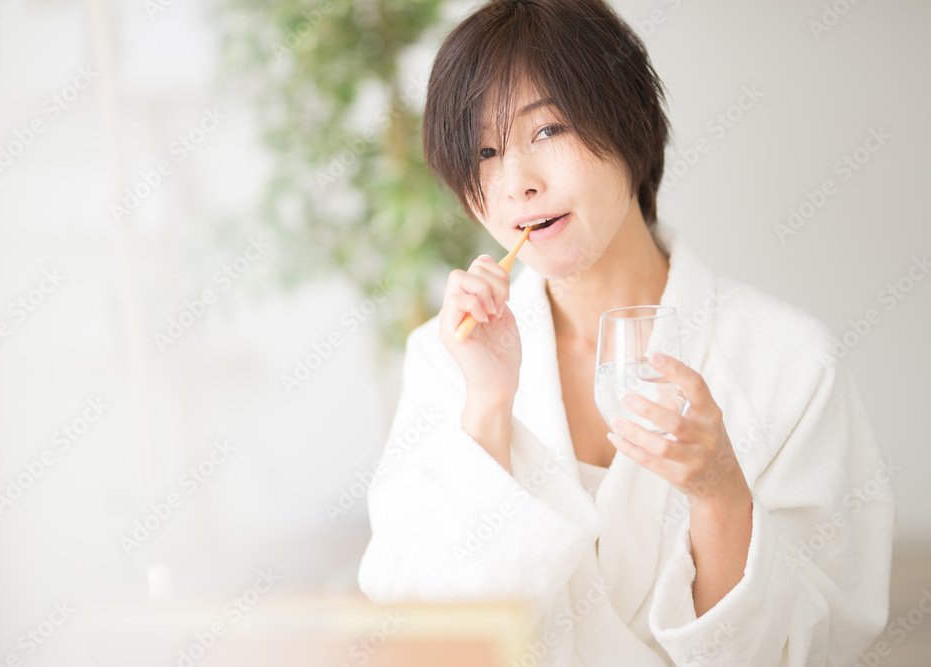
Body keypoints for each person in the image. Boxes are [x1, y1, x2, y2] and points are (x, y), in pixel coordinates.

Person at [357, 1, 895, 665]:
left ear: (630, 124)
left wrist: (721, 494)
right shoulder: (447, 361)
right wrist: (488, 410)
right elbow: (420, 627)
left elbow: (821, 640)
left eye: (548, 129)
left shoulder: (790, 361)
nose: (518, 183)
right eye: (485, 152)